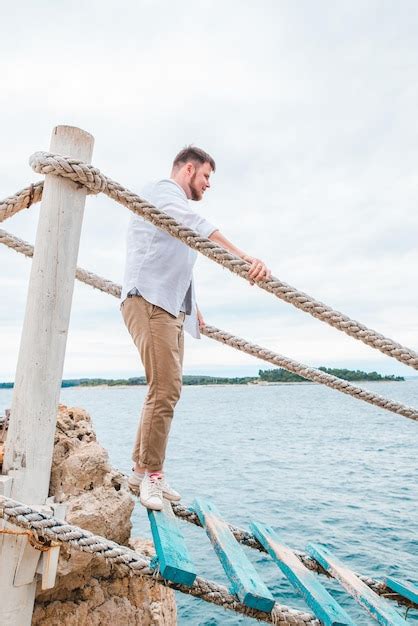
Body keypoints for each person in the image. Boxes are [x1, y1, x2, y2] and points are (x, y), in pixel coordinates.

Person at [121, 146, 271, 510]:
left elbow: (177, 261)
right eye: (206, 176)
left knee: (163, 389)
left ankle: (141, 472)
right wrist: (244, 256)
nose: (208, 185)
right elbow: (197, 228)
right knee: (166, 389)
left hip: (170, 307)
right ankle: (153, 476)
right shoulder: (163, 191)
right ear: (188, 169)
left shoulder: (175, 209)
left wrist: (193, 307)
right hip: (150, 302)